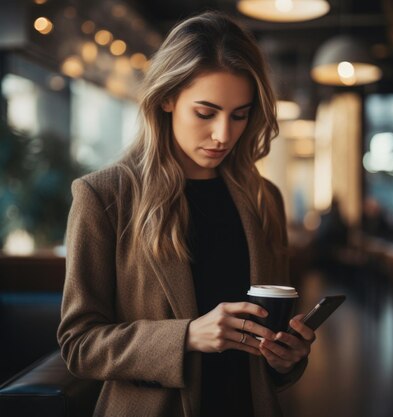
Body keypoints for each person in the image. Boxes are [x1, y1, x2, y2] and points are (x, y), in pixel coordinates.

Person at [57, 11, 314, 417]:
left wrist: (287, 358)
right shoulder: (104, 196)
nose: (223, 135)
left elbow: (271, 341)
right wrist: (188, 336)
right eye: (205, 112)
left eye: (240, 114)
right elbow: (79, 345)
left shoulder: (264, 199)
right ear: (167, 98)